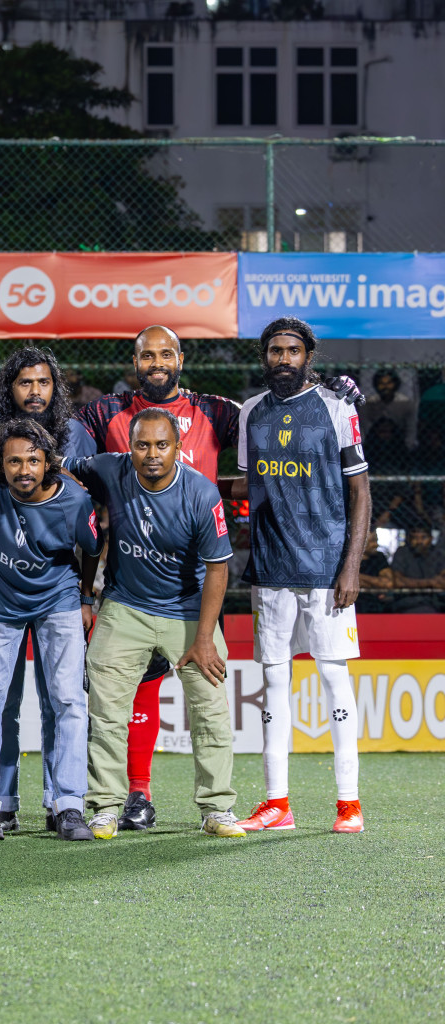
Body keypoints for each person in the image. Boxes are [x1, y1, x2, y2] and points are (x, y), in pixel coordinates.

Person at [73, 325, 242, 831]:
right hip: (124, 603)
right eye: (142, 445)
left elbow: (219, 567)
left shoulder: (203, 488)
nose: (150, 454)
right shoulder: (110, 459)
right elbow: (49, 458)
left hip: (188, 607)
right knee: (105, 709)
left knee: (210, 709)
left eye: (161, 445)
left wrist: (206, 637)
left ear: (178, 444)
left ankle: (217, 808)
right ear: (131, 446)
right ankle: (105, 807)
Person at [228, 318, 373, 835]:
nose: (282, 359)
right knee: (273, 682)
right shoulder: (251, 413)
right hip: (270, 568)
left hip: (326, 568)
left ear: (309, 355)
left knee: (334, 678)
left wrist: (351, 566)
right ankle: (277, 805)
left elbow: (360, 493)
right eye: (274, 351)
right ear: (264, 357)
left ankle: (348, 803)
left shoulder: (337, 408)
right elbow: (252, 484)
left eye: (292, 351)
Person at [0, 346, 97, 830]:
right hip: (2, 595)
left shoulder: (77, 443)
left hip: (58, 593)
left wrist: (85, 597)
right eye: (24, 383)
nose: (35, 391)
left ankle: (66, 803)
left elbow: (91, 530)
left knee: (65, 699)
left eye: (43, 382)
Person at [386, 523, 445, 613]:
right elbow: (398, 581)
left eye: (423, 537)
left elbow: (442, 582)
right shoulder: (403, 552)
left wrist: (410, 582)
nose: (419, 541)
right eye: (415, 538)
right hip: (407, 602)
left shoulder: (438, 554)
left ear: (431, 538)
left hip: (434, 601)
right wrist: (430, 582)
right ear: (409, 539)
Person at [355, 530, 395, 614]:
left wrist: (356, 577)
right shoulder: (348, 559)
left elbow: (388, 583)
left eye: (376, 540)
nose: (376, 545)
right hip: (354, 603)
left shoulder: (379, 557)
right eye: (372, 541)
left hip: (374, 604)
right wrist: (375, 584)